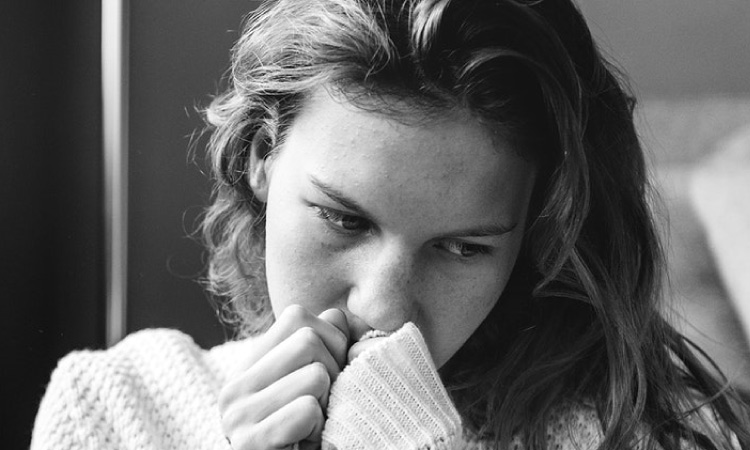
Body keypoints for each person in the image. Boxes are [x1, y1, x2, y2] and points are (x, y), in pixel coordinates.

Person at [31, 0, 750, 449]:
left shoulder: (640, 437)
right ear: (261, 158)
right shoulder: (117, 410)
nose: (382, 311)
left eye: (463, 247)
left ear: (533, 237)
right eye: (344, 219)